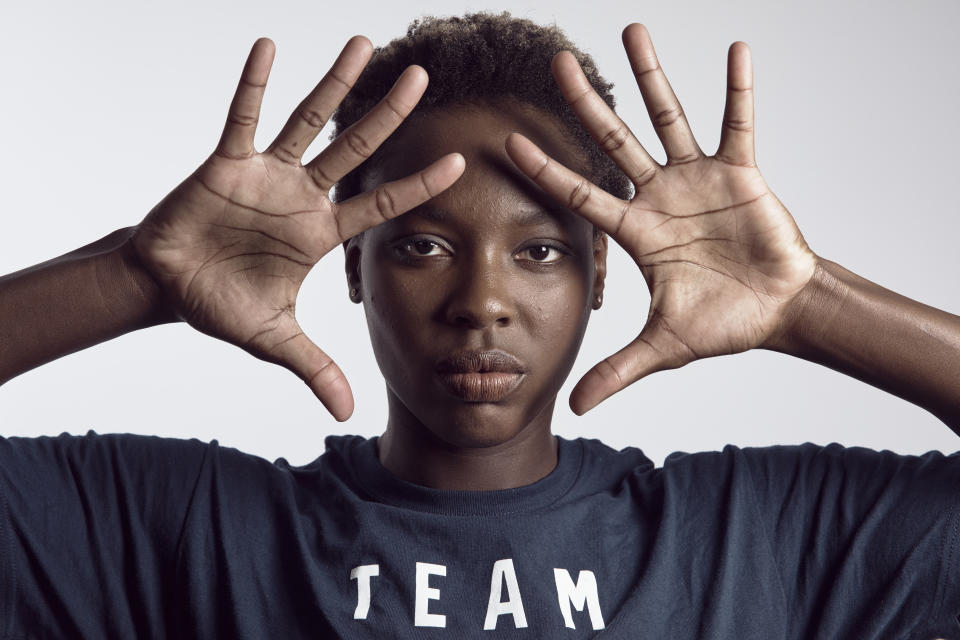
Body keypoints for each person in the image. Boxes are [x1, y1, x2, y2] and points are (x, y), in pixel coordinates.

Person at [1, 11, 959, 638]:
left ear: (598, 276)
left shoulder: (750, 538)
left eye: (540, 251)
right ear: (350, 264)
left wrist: (807, 302)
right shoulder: (190, 529)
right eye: (419, 245)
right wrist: (134, 274)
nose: (482, 301)